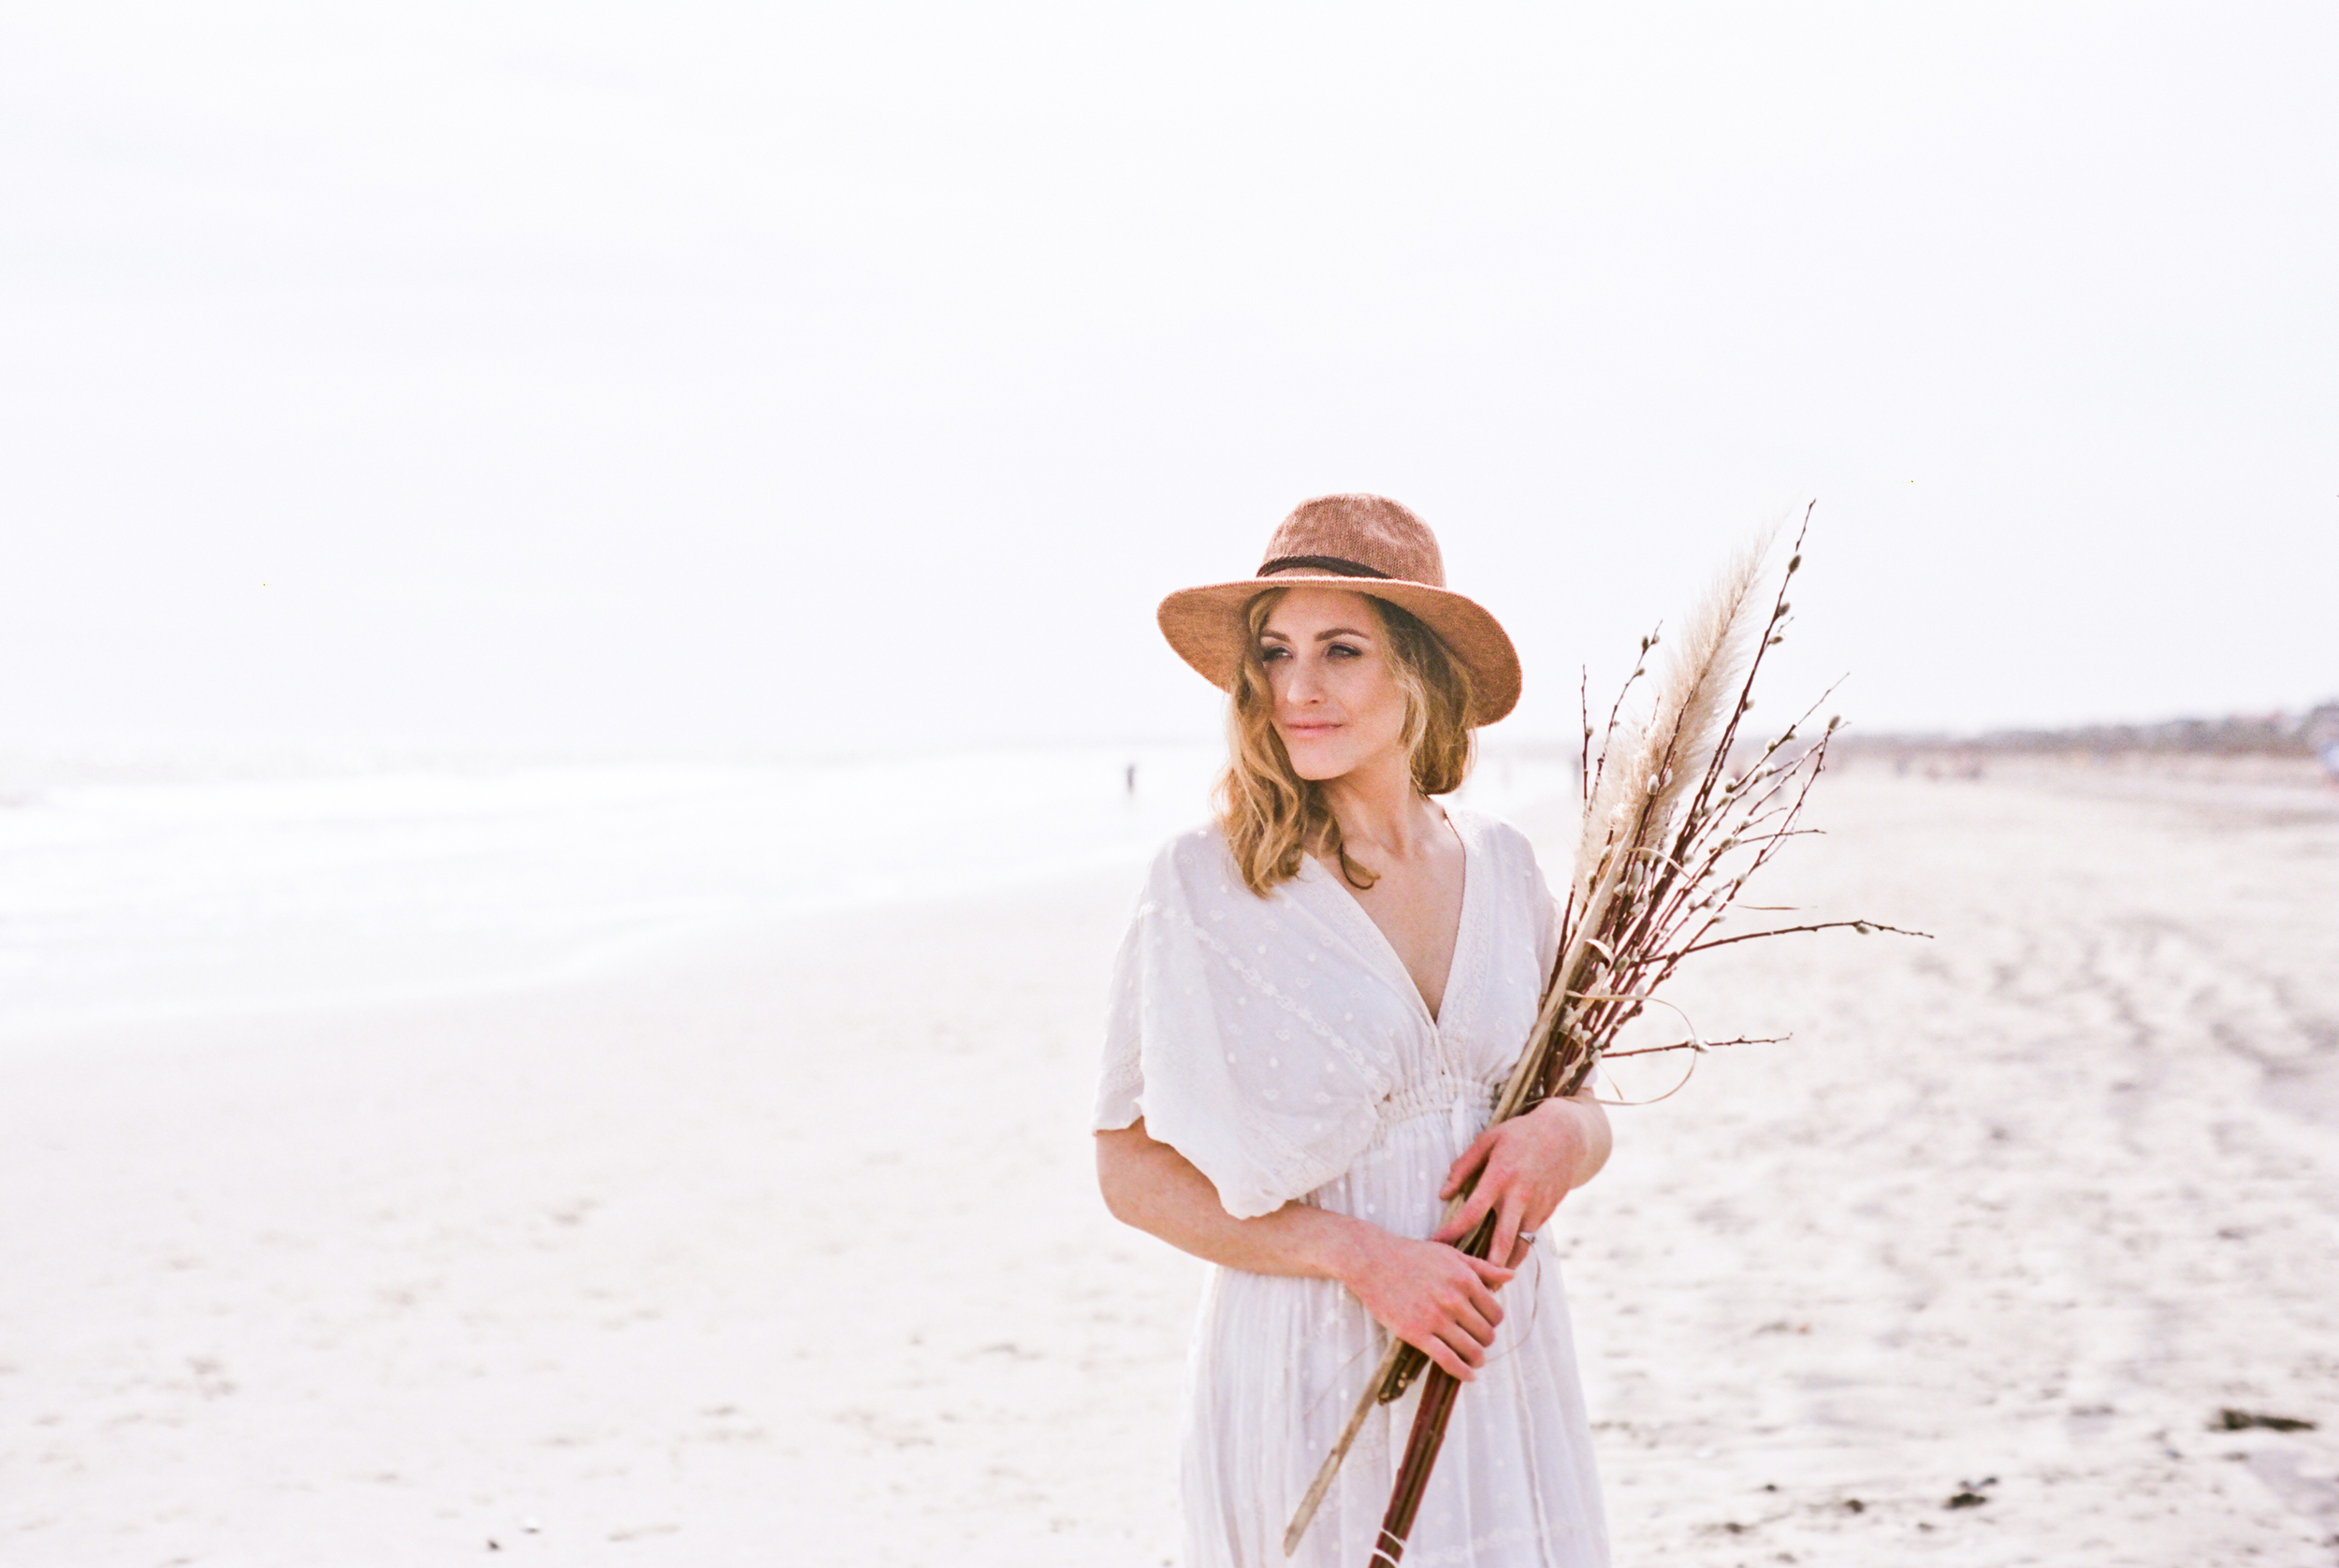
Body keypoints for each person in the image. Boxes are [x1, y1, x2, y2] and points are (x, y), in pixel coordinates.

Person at [1094, 495, 1612, 1567]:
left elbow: (1583, 1102)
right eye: (1275, 652)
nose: (1297, 687)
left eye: (1340, 649)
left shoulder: (1507, 868)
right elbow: (1126, 1169)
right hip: (1310, 1356)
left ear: (1419, 672)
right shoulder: (1207, 882)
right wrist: (1360, 1257)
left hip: (1491, 1356)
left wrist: (1567, 1138)